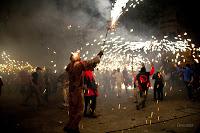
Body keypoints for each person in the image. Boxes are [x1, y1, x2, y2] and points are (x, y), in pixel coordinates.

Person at [64, 50, 103, 133]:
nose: (78, 54)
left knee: (72, 110)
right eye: (77, 54)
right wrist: (99, 55)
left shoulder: (70, 65)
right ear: (74, 57)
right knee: (79, 110)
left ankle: (70, 125)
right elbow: (92, 62)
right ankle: (73, 128)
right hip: (76, 91)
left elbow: (90, 66)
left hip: (71, 90)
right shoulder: (78, 64)